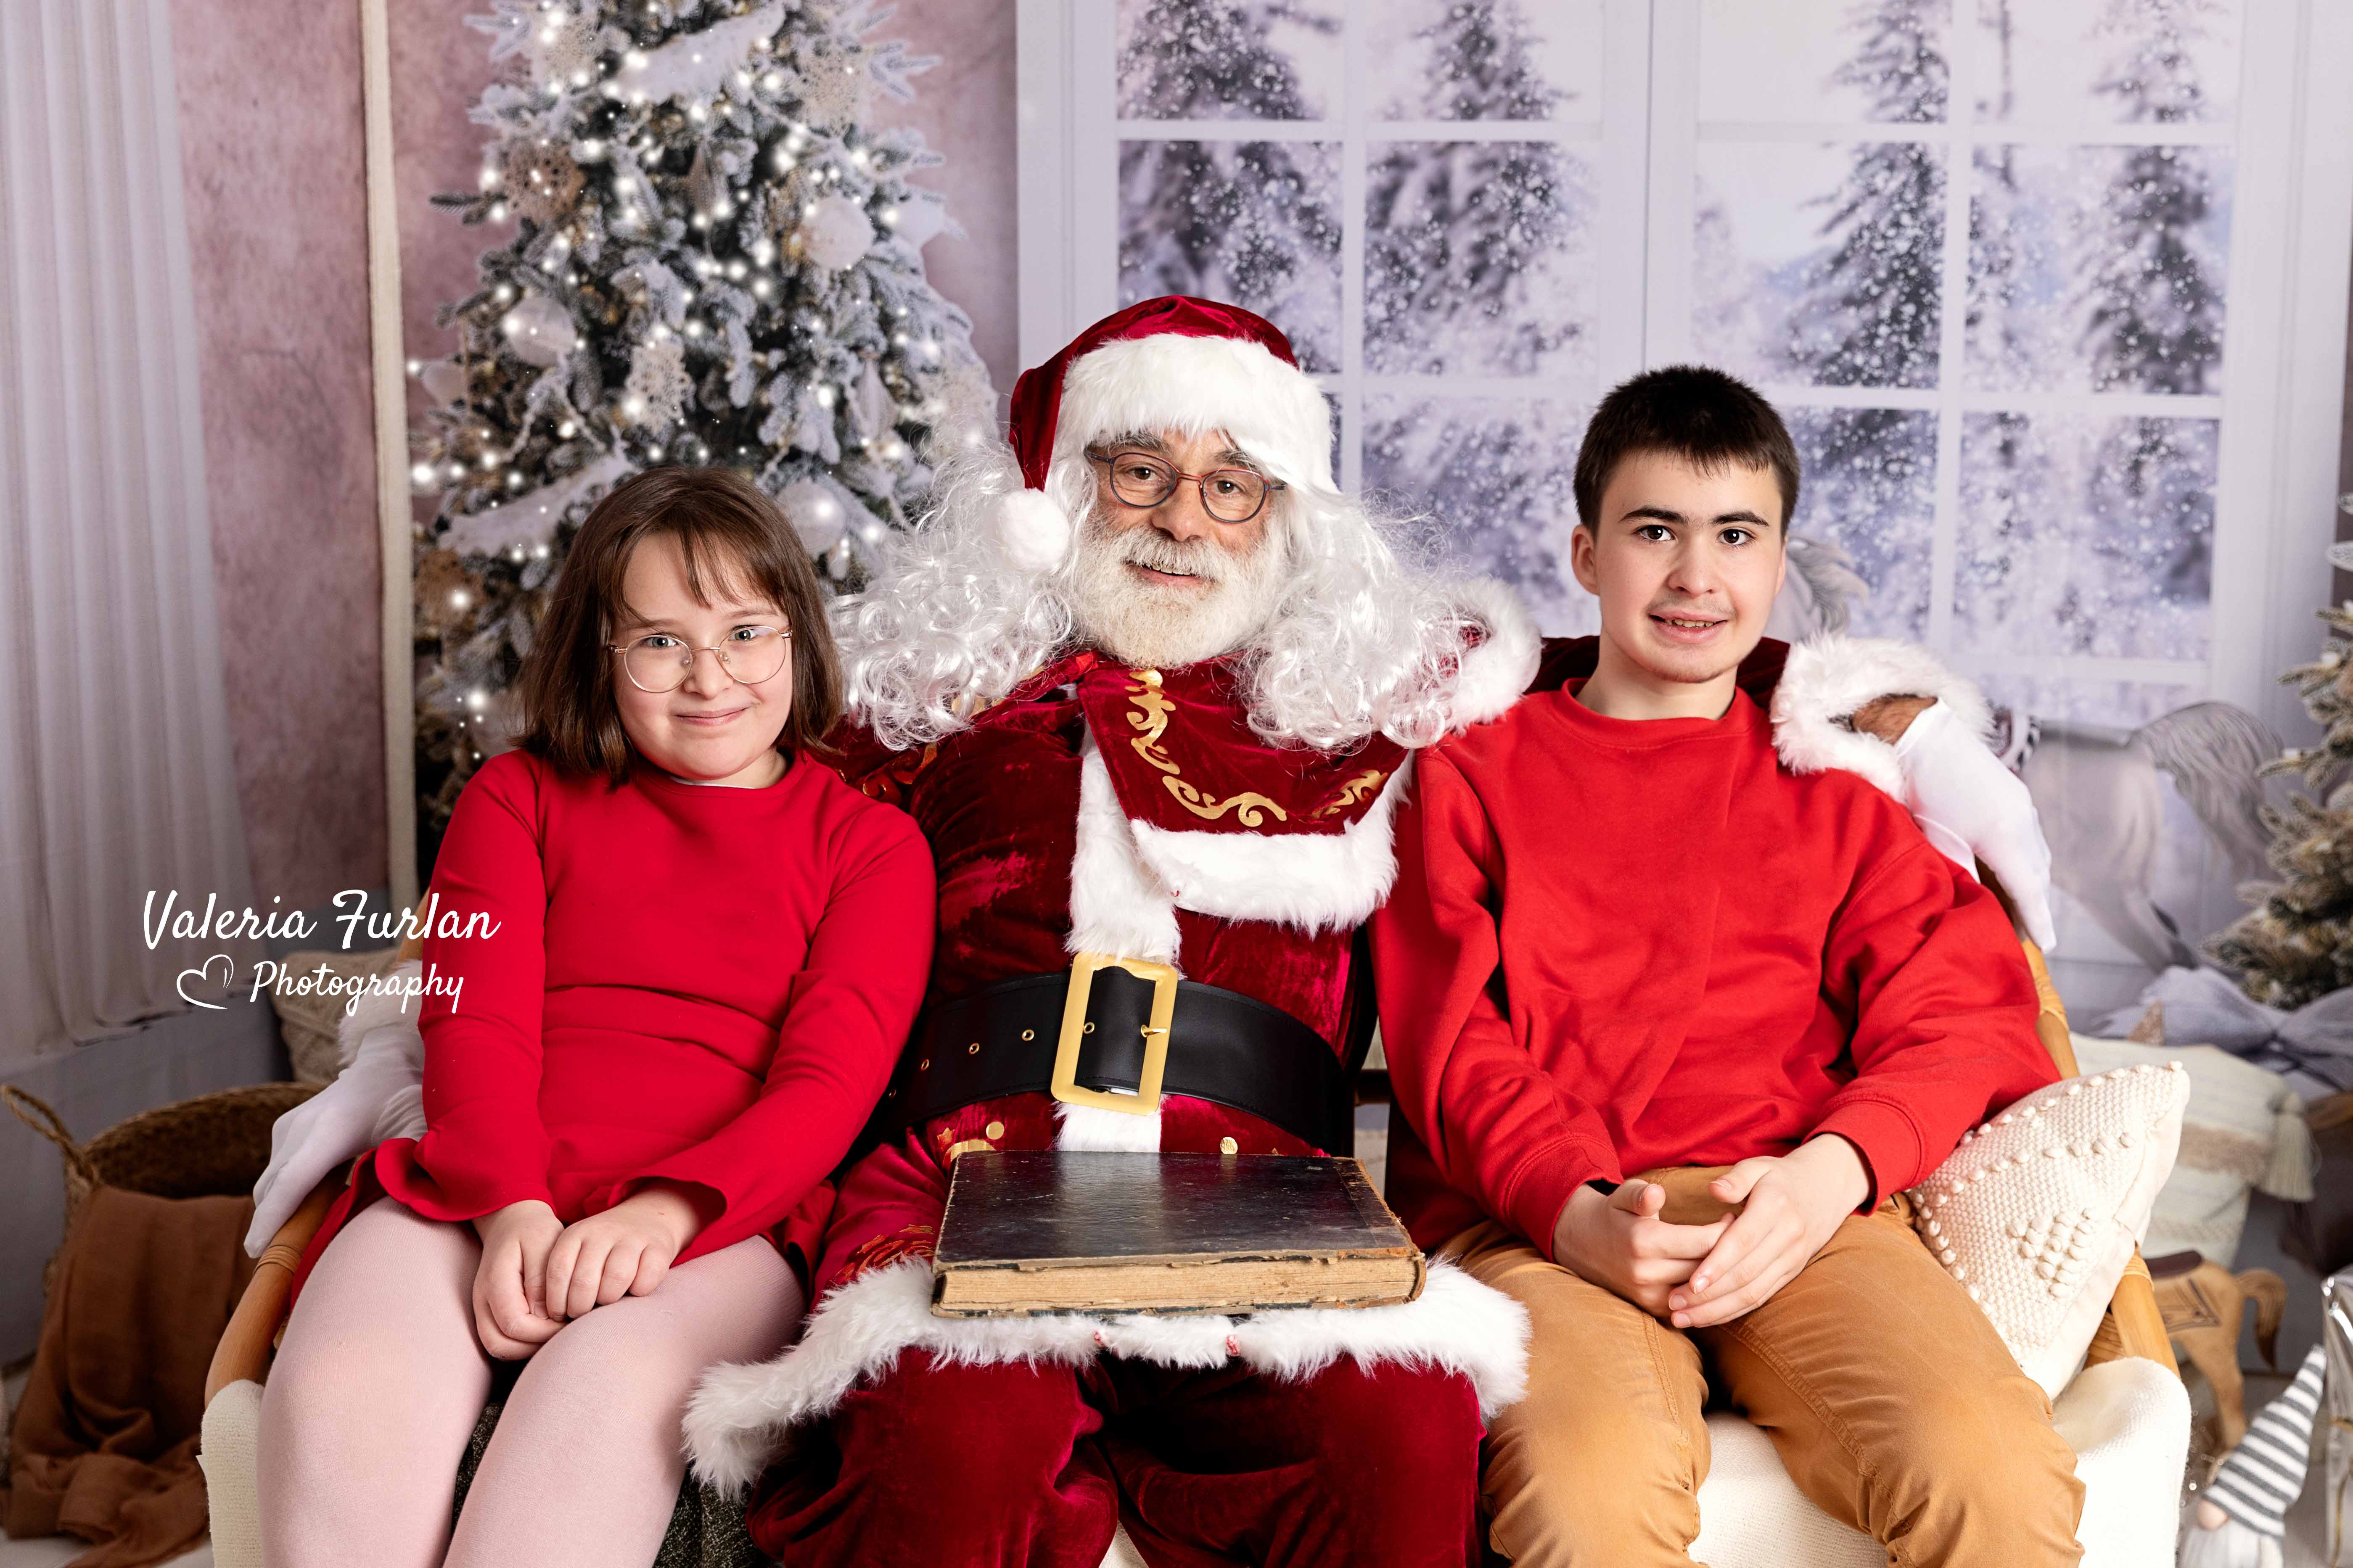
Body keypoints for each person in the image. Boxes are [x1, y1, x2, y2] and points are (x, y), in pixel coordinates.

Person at [674, 300, 2060, 1568]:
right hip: (965, 1176)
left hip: (1261, 1193)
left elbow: (1667, 674)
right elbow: (729, 895)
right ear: (1058, 491)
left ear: (1283, 517)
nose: (1183, 518)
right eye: (1138, 471)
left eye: (1232, 484)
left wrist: (1904, 718)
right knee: (956, 1437)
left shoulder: (1354, 700)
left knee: (1399, 1428)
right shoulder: (927, 699)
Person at [1371, 365, 2085, 1568]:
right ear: (1586, 553)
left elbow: (1958, 1010)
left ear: (1775, 561)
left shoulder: (1833, 786)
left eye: (1734, 536)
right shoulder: (1473, 766)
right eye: (1654, 532)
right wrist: (1572, 1211)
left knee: (1990, 1465)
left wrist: (1830, 1172)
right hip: (1549, 1224)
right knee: (1586, 1486)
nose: (1696, 577)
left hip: (1799, 1208)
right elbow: (1454, 1040)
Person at [255, 467, 935, 1568]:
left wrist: (665, 1212)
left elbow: (828, 1086)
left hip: (720, 1222)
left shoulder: (869, 846)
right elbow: (472, 1020)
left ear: (800, 640)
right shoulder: (516, 797)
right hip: (483, 1178)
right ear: (600, 659)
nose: (709, 674)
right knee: (342, 1383)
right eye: (658, 643)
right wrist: (508, 1208)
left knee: (600, 1391)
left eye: (745, 631)